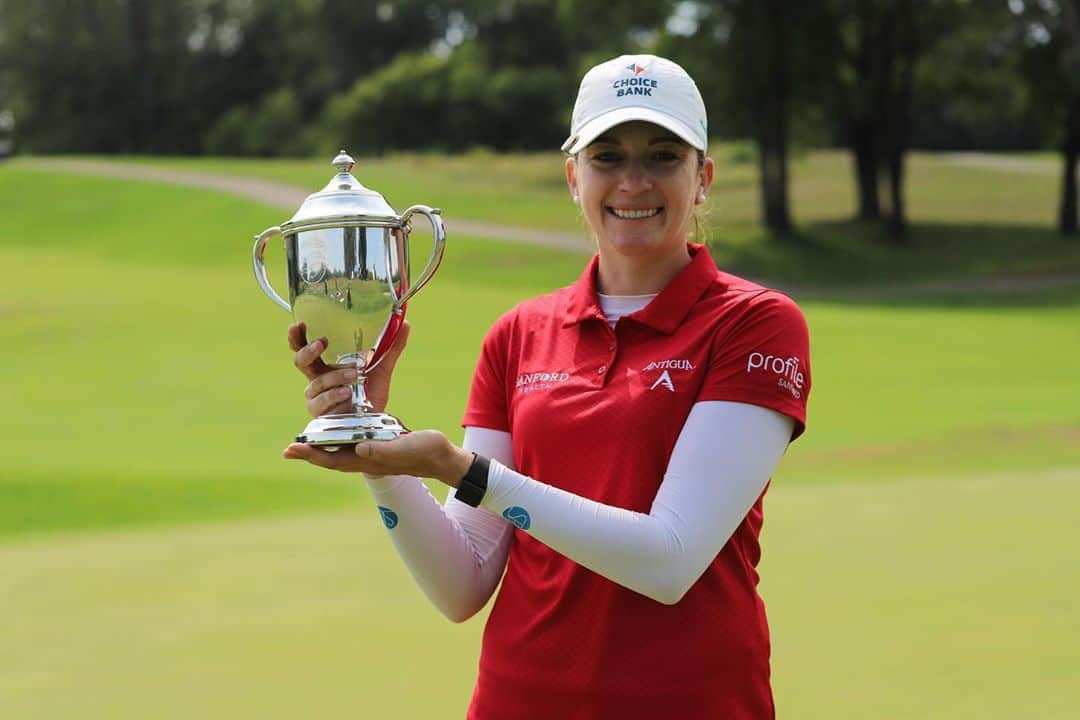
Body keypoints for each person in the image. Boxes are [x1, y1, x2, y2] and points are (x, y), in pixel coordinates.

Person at [284, 54, 811, 720]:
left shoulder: (754, 324)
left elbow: (669, 562)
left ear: (702, 178)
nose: (633, 181)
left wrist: (461, 469)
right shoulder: (521, 334)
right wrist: (379, 453)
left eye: (663, 156)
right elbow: (462, 582)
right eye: (608, 156)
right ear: (573, 176)